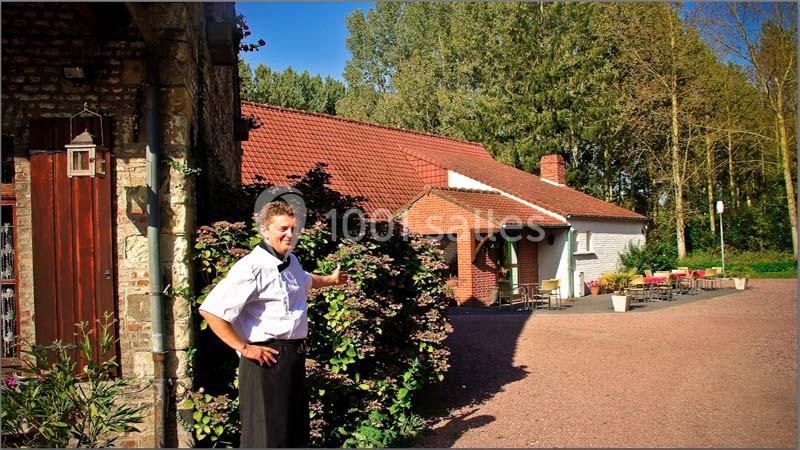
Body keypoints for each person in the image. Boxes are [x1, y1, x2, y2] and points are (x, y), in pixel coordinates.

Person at [199, 199, 347, 448]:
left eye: (293, 229)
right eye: (283, 229)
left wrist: (332, 281)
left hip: (293, 357)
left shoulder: (292, 262)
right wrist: (245, 348)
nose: (290, 234)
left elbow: (306, 280)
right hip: (265, 359)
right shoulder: (252, 267)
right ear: (265, 231)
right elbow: (212, 311)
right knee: (266, 438)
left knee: (293, 433)